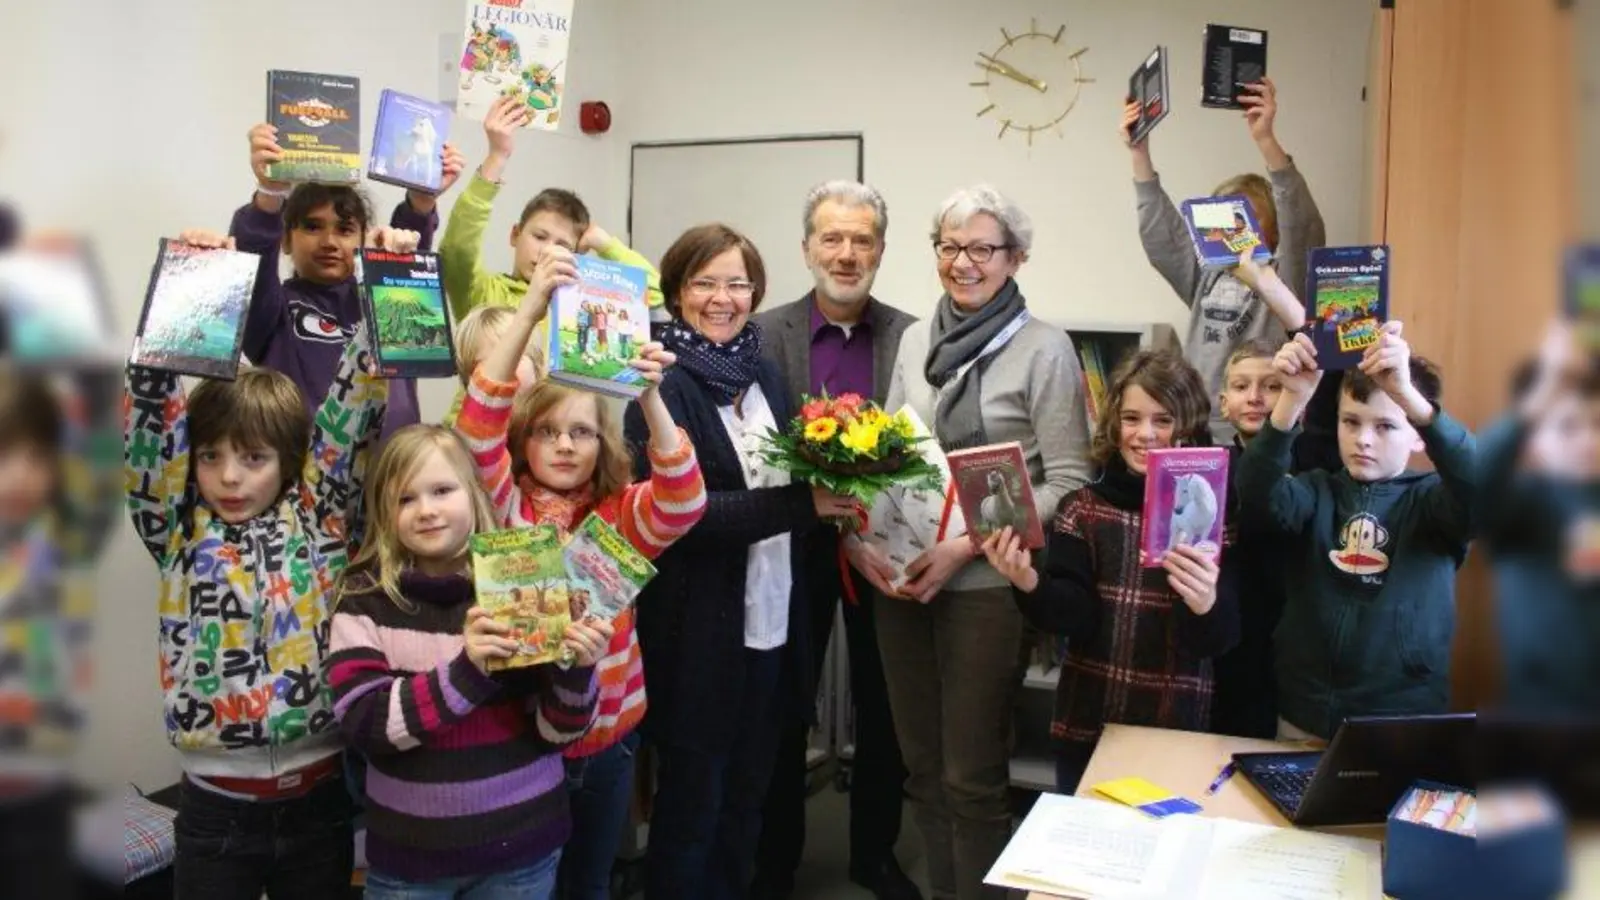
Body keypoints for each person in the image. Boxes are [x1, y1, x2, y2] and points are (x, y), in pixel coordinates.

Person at [452, 245, 708, 900]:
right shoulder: (502, 508)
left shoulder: (620, 515)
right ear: (523, 442)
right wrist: (534, 303)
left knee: (590, 884)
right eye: (547, 432)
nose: (565, 444)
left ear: (603, 445)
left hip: (611, 740)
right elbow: (477, 428)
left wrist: (649, 396)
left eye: (582, 433)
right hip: (524, 743)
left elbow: (685, 500)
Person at [623, 224, 858, 899]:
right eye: (704, 282)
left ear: (756, 292)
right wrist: (805, 506)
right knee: (691, 816)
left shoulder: (764, 374)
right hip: (698, 637)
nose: (722, 298)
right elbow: (686, 517)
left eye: (737, 283)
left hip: (773, 630)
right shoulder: (656, 384)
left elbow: (784, 478)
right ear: (675, 291)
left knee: (746, 811)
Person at [875, 185, 1092, 900]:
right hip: (907, 576)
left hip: (986, 586)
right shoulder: (915, 338)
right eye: (948, 245)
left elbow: (1067, 479)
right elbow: (887, 449)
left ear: (1015, 258)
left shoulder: (1045, 348)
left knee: (971, 779)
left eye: (981, 249)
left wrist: (966, 545)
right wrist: (864, 538)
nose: (962, 262)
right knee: (923, 773)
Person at [123, 319, 387, 898]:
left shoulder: (322, 521)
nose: (229, 476)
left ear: (290, 461)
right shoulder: (178, 532)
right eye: (210, 456)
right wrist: (185, 295)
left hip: (319, 804)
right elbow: (150, 426)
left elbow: (351, 417)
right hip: (215, 813)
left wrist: (378, 302)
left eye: (253, 457)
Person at [326, 425, 613, 899]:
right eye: (405, 499)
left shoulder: (521, 586)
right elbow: (365, 725)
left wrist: (577, 668)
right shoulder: (364, 600)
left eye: (442, 490)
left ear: (475, 494)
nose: (427, 510)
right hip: (409, 862)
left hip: (523, 852)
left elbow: (559, 732)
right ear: (383, 510)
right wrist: (468, 671)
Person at [750, 180, 920, 900]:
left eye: (862, 240)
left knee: (885, 708)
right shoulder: (763, 333)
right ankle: (775, 861)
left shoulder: (913, 335)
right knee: (785, 709)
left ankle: (873, 855)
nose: (846, 254)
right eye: (832, 238)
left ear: (880, 249)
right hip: (788, 548)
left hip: (883, 551)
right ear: (807, 247)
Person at [985, 349, 1239, 792]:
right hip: (1091, 721)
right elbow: (1074, 618)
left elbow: (1219, 641)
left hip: (1176, 723)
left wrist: (1206, 603)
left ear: (1189, 424)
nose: (1145, 434)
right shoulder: (1083, 508)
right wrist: (1027, 580)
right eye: (1131, 419)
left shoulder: (1215, 508)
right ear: (1113, 424)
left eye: (1163, 420)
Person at [1236, 323, 1476, 740]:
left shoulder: (1435, 502)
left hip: (1401, 720)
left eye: (1385, 426)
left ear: (1417, 436)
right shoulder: (1315, 490)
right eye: (1351, 422)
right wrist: (1291, 399)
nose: (1363, 440)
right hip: (1302, 714)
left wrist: (1409, 398)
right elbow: (1257, 495)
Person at [226, 122, 463, 442]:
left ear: (364, 239)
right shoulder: (272, 312)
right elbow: (252, 258)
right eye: (312, 227)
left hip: (393, 473)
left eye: (344, 229)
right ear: (284, 240)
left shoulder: (381, 300)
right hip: (308, 480)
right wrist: (270, 193)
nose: (329, 241)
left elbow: (402, 255)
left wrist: (421, 203)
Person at [1121, 77, 1325, 445]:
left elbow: (1301, 223)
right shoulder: (1206, 275)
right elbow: (1162, 237)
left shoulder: (1285, 276)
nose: (1233, 229)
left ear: (1273, 232)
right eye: (1224, 218)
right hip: (1200, 424)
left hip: (1269, 423)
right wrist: (1139, 155)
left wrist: (1266, 140)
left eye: (1247, 218)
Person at [438, 96, 662, 419]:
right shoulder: (487, 295)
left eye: (562, 244)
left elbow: (652, 293)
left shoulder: (581, 299)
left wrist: (602, 241)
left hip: (553, 441)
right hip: (478, 435)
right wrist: (497, 157)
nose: (547, 251)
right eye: (539, 236)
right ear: (515, 234)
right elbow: (458, 250)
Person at [1480, 321, 1600, 716]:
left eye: (1598, 426)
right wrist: (1544, 392)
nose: (1588, 440)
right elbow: (1472, 485)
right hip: (1540, 722)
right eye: (1568, 427)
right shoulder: (1522, 503)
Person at [1208, 339, 1292, 739]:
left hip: (1285, 631)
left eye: (1272, 386)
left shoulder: (1310, 464)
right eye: (1242, 387)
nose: (1255, 397)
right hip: (1225, 627)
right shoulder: (1207, 466)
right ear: (1224, 403)